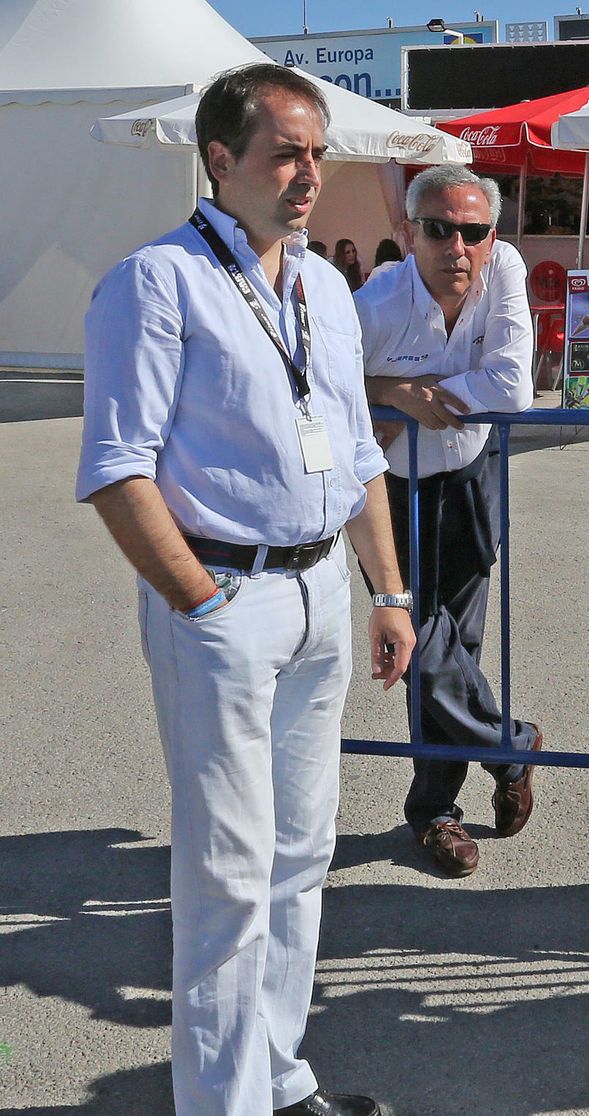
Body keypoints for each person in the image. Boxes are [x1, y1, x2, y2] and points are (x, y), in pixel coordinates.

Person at [75, 63, 416, 1116]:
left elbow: (357, 451)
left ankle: (277, 1074)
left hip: (320, 592)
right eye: (285, 154)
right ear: (220, 161)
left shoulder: (320, 283)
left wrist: (388, 592)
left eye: (316, 153)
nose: (308, 173)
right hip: (222, 596)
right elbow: (117, 470)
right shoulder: (157, 281)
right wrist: (201, 605)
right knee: (226, 870)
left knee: (300, 852)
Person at [355, 163, 541, 878]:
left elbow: (513, 386)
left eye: (473, 231)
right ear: (408, 233)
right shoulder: (375, 301)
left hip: (468, 478)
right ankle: (511, 745)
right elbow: (327, 379)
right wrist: (386, 390)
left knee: (452, 653)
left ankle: (436, 810)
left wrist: (410, 396)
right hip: (393, 494)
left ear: (492, 236)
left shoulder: (506, 269)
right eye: (438, 230)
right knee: (422, 653)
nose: (456, 246)